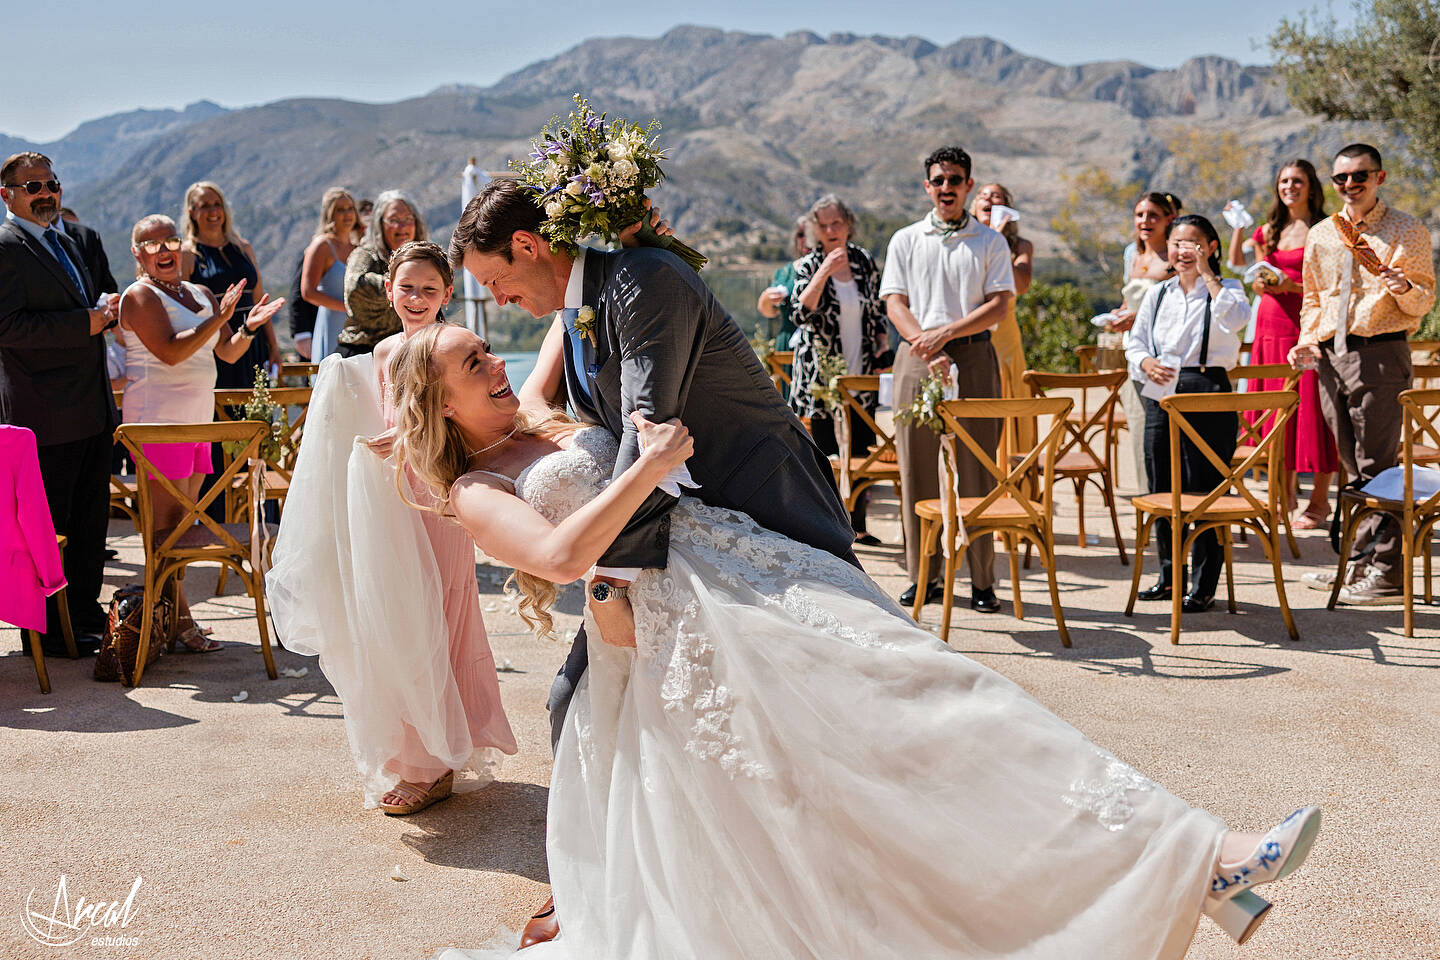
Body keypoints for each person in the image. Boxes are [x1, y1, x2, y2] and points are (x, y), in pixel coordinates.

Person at [389, 323, 1321, 959]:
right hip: (684, 633)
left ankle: (1191, 856)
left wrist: (614, 232)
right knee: (858, 762)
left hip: (741, 572)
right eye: (473, 363)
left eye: (488, 350)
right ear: (439, 396)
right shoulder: (474, 491)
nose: (496, 365)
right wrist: (656, 468)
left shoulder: (545, 414)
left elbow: (568, 310)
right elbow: (558, 555)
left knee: (931, 694)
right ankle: (1196, 863)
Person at [451, 178, 858, 946]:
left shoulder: (643, 281)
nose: (498, 298)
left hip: (763, 509)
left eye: (497, 280)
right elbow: (566, 412)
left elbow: (649, 437)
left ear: (532, 247)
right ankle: (599, 874)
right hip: (676, 537)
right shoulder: (575, 309)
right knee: (577, 704)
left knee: (817, 692)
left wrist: (611, 591)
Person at [266, 240, 516, 813]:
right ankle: (419, 752)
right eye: (408, 288)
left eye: (430, 290)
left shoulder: (452, 347)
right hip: (395, 497)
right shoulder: (381, 351)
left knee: (442, 612)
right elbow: (388, 414)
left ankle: (435, 761)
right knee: (399, 618)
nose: (418, 298)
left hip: (437, 493)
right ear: (388, 290)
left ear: (448, 295)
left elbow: (462, 419)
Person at [119, 214, 286, 649]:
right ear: (137, 254)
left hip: (197, 423)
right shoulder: (139, 295)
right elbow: (173, 353)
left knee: (184, 528)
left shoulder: (200, 293)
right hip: (158, 425)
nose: (165, 251)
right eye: (152, 245)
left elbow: (227, 351)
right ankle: (178, 622)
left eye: (171, 241)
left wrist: (247, 326)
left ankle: (175, 620)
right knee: (165, 532)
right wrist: (221, 317)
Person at [1290, 143, 1436, 605]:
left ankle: (1388, 572)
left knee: (1379, 466)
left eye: (1360, 176)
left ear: (1380, 178)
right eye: (1341, 179)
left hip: (1380, 352)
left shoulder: (1405, 230)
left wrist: (1404, 287)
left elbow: (1424, 301)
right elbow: (1314, 296)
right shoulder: (1323, 234)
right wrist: (1307, 339)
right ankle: (1357, 563)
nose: (1350, 185)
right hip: (1331, 357)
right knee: (1352, 466)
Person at [882, 145, 1012, 614]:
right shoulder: (906, 239)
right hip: (916, 358)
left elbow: (999, 304)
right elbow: (895, 302)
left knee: (976, 467)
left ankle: (981, 581)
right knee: (916, 468)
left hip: (974, 356)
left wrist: (947, 335)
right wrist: (925, 343)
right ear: (927, 187)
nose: (946, 188)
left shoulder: (990, 242)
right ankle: (924, 577)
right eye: (938, 180)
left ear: (968, 186)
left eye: (955, 180)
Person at [0, 152, 119, 655]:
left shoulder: (67, 240)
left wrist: (107, 311)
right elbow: (8, 328)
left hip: (91, 407)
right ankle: (47, 632)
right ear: (6, 194)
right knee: (49, 530)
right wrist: (85, 324)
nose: (46, 192)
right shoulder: (5, 248)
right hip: (43, 413)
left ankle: (84, 616)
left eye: (52, 183)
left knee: (92, 522)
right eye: (33, 186)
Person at [1126, 215, 1251, 610]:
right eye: (1177, 242)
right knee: (1161, 483)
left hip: (1207, 388)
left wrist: (1209, 275)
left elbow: (1236, 320)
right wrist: (1146, 362)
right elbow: (1135, 342)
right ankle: (1168, 575)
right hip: (1161, 389)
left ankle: (1204, 584)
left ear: (1211, 247)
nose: (1182, 250)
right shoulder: (1159, 293)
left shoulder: (1228, 289)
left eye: (1192, 243)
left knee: (1205, 487)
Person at [1227, 161, 1336, 529]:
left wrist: (1293, 288)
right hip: (1270, 327)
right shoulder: (1267, 230)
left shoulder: (1326, 229)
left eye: (1297, 181)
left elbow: (1333, 287)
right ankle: (1282, 497)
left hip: (1307, 326)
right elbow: (1256, 273)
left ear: (1311, 187)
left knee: (1314, 414)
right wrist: (1261, 284)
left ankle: (1320, 503)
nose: (1290, 186)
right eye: (1284, 181)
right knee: (1275, 415)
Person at [789, 194, 891, 544]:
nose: (831, 230)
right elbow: (800, 313)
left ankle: (858, 525)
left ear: (849, 225)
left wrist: (882, 349)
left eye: (837, 223)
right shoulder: (809, 264)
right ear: (816, 229)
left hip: (860, 373)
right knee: (824, 456)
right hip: (820, 377)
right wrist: (824, 271)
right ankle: (828, 529)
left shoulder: (864, 261)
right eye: (824, 225)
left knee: (863, 452)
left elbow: (877, 312)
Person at [1112, 192, 1181, 494]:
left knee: (1169, 433)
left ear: (1169, 219)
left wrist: (1137, 317)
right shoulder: (1133, 255)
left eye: (1153, 215)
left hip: (1167, 355)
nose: (1145, 221)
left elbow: (1178, 303)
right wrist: (1120, 315)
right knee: (1140, 431)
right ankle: (1148, 499)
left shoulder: (1176, 256)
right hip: (1135, 353)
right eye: (1140, 214)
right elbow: (1131, 299)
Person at [182, 181, 280, 389]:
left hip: (253, 339)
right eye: (205, 205)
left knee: (258, 411)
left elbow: (258, 299)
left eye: (217, 204)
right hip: (216, 344)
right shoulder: (187, 254)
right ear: (192, 212)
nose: (213, 211)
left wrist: (273, 346)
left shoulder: (243, 247)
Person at [971, 182, 1035, 460]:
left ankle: (1014, 478)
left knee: (1009, 400)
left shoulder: (1021, 246)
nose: (989, 199)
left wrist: (997, 242)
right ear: (973, 206)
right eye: (983, 196)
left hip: (1005, 340)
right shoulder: (964, 242)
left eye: (996, 197)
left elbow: (1020, 285)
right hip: (971, 335)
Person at [339, 190, 426, 357]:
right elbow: (355, 285)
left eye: (408, 219)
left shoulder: (424, 256)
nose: (403, 227)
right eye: (394, 220)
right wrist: (408, 284)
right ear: (380, 224)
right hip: (363, 354)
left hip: (408, 354)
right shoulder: (365, 253)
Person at [302, 188, 360, 362]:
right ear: (330, 214)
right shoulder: (322, 246)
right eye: (340, 209)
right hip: (332, 324)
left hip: (356, 327)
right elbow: (307, 292)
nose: (347, 214)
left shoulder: (358, 249)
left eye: (350, 208)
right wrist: (346, 307)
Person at [755, 215, 809, 347]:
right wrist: (766, 298)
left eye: (810, 234)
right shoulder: (785, 272)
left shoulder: (831, 268)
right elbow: (769, 311)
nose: (806, 239)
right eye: (801, 235)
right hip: (788, 342)